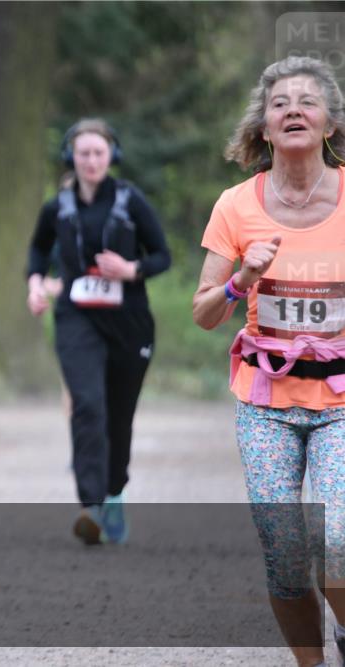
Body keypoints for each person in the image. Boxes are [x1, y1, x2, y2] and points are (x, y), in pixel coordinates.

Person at [193, 56, 344, 667]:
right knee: (284, 553)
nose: (294, 110)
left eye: (308, 101)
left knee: (335, 539)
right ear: (263, 127)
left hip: (342, 403)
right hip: (266, 405)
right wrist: (241, 280)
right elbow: (203, 313)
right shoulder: (235, 206)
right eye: (280, 103)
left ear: (330, 123)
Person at [26, 118, 171, 545]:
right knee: (87, 405)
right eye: (83, 153)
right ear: (72, 156)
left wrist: (132, 269)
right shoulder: (58, 206)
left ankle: (114, 493)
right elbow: (37, 250)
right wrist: (35, 284)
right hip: (77, 318)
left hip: (129, 321)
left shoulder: (131, 201)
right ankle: (90, 505)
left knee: (119, 415)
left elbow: (163, 255)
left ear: (112, 157)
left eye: (98, 153)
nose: (91, 161)